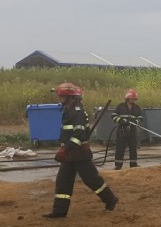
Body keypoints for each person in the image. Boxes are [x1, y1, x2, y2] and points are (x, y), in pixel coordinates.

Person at [44, 82, 118, 218]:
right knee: (63, 182)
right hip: (70, 154)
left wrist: (65, 149)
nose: (59, 98)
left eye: (61, 96)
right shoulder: (68, 110)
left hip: (79, 154)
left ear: (69, 97)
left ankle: (110, 199)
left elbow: (79, 135)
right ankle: (59, 211)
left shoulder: (77, 112)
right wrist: (65, 150)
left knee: (92, 180)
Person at [111, 88, 143, 169]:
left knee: (133, 147)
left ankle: (133, 164)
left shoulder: (137, 107)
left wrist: (136, 121)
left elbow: (140, 118)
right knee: (120, 148)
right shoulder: (120, 106)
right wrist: (121, 121)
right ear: (127, 98)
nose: (133, 100)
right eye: (132, 98)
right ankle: (118, 165)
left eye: (134, 99)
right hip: (122, 130)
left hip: (132, 130)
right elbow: (113, 116)